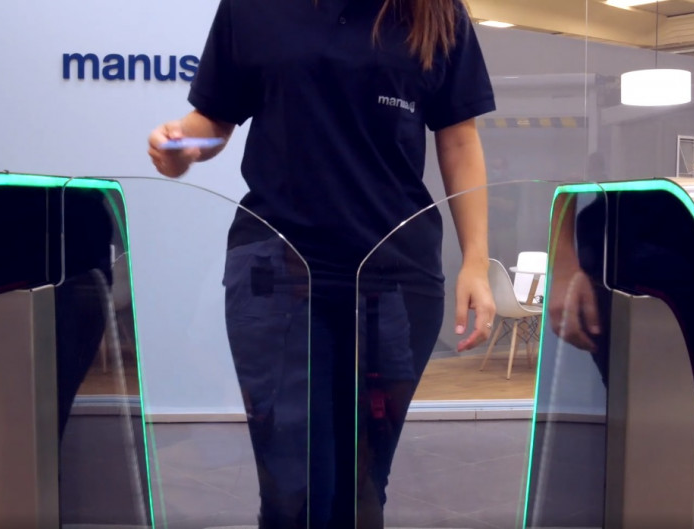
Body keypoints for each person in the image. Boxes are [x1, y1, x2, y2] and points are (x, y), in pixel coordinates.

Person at [148, 0, 496, 527]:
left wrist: (476, 261)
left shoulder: (437, 10)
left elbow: (459, 137)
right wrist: (184, 144)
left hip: (395, 276)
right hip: (276, 270)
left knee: (362, 488)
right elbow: (214, 116)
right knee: (293, 490)